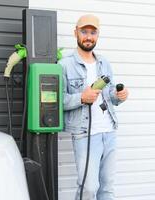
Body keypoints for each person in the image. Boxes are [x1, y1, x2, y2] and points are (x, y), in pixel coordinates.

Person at [58, 14, 129, 200]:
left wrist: (119, 96)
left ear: (97, 35)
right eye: (84, 32)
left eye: (93, 32)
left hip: (109, 132)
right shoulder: (64, 65)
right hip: (85, 135)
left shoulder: (104, 62)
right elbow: (58, 101)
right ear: (76, 33)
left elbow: (111, 96)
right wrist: (82, 97)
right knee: (88, 188)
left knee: (107, 189)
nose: (88, 36)